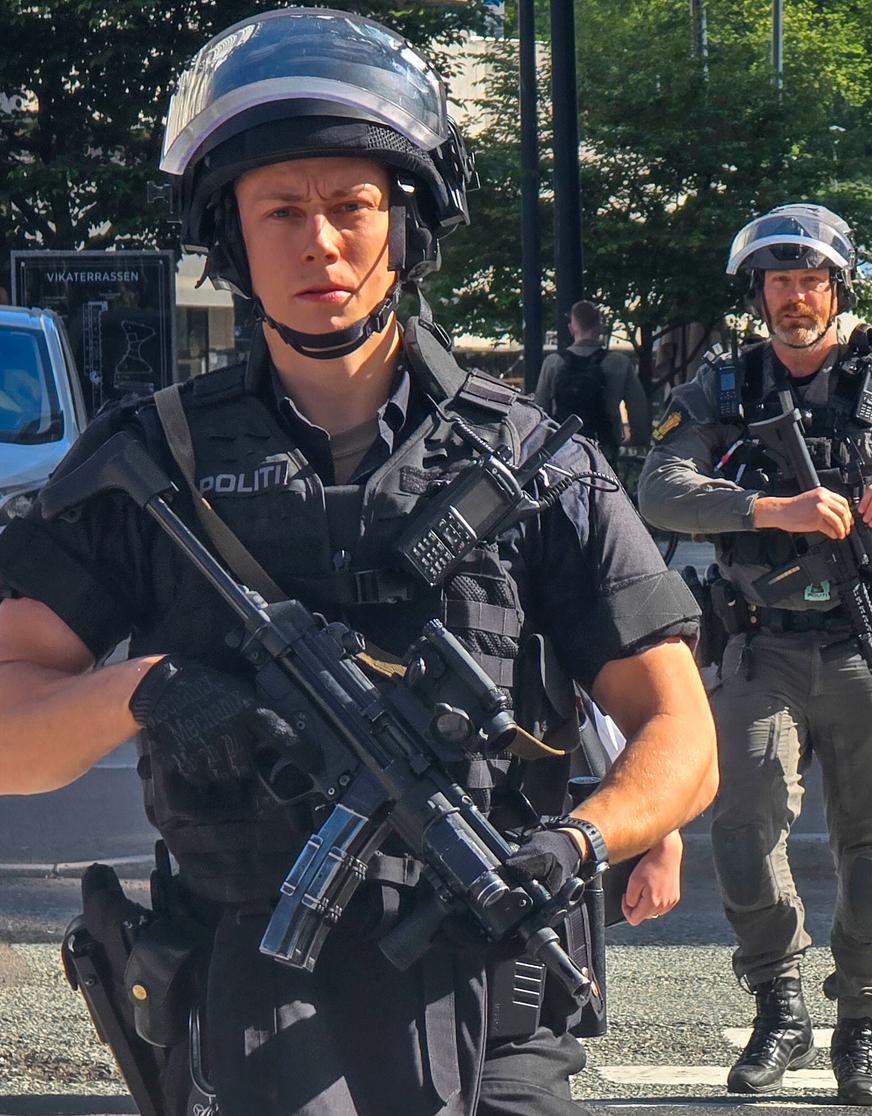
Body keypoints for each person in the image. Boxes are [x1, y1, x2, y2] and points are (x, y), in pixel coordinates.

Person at [0, 11, 717, 1116]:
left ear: (408, 226)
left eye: (352, 208)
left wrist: (578, 843)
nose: (320, 243)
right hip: (256, 991)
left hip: (495, 989)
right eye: (280, 210)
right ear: (231, 238)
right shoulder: (149, 464)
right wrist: (144, 692)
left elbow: (680, 734)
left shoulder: (538, 464)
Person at [638, 204, 872, 1105]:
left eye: (810, 281)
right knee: (738, 833)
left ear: (837, 288)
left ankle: (861, 1026)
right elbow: (659, 488)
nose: (795, 298)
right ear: (759, 293)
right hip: (760, 647)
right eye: (779, 282)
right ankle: (778, 1004)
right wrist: (770, 511)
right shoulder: (721, 388)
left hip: (869, 643)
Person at [535, 300, 651, 460]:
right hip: (604, 449)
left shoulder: (553, 363)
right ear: (599, 327)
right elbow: (638, 408)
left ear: (571, 328)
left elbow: (539, 409)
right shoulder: (619, 363)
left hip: (562, 451)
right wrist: (637, 439)